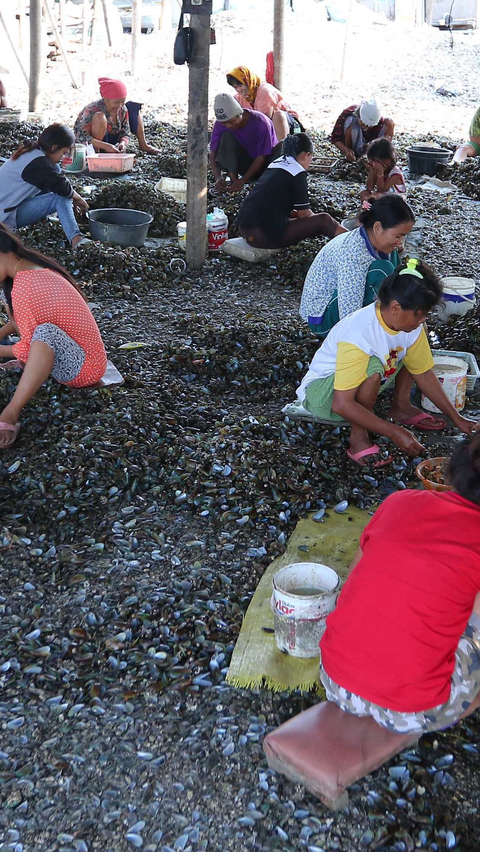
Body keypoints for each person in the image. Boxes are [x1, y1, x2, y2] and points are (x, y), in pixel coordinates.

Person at [320, 433, 480, 735]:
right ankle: (466, 700)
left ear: (452, 472)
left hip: (335, 679)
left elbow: (351, 584)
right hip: (413, 711)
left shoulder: (399, 502)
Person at [295, 259, 479, 467]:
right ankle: (358, 438)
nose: (422, 320)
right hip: (323, 396)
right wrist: (394, 432)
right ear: (395, 307)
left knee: (408, 350)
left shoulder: (412, 326)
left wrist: (457, 418)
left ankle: (401, 407)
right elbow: (342, 404)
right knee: (373, 366)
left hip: (359, 385)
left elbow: (424, 373)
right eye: (419, 315)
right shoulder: (359, 334)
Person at [0, 224, 107, 450]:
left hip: (84, 369)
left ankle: (10, 413)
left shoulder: (24, 286)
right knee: (37, 329)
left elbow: (31, 347)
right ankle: (23, 368)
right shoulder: (30, 268)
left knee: (44, 334)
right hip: (82, 353)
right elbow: (23, 319)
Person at [300, 195, 414, 338]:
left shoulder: (379, 243)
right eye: (398, 236)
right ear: (377, 228)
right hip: (322, 318)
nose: (400, 242)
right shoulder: (353, 253)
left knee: (393, 263)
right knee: (382, 270)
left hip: (340, 305)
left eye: (403, 236)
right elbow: (348, 315)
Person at [235, 133, 345, 248]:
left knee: (294, 216)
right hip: (260, 236)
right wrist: (316, 222)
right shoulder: (297, 171)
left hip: (245, 229)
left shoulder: (275, 164)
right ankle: (353, 240)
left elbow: (275, 205)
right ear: (306, 154)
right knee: (324, 220)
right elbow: (304, 215)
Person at [0, 124, 90, 250]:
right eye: (63, 152)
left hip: (10, 207)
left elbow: (56, 181)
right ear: (54, 147)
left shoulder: (33, 152)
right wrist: (79, 199)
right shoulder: (36, 162)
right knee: (61, 197)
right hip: (4, 217)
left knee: (56, 173)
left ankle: (55, 218)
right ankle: (76, 239)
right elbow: (61, 187)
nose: (62, 157)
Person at [209, 93, 282, 195]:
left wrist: (243, 180)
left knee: (283, 147)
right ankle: (233, 183)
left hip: (267, 165)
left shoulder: (261, 122)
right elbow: (213, 153)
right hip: (244, 163)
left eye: (231, 122)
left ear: (240, 114)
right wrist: (218, 177)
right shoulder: (220, 126)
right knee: (226, 137)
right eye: (224, 123)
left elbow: (262, 156)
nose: (228, 126)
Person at [74, 77, 159, 155]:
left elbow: (125, 132)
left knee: (133, 107)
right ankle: (97, 154)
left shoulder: (122, 109)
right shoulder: (92, 109)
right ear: (105, 99)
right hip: (93, 146)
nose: (120, 105)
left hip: (112, 145)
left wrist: (123, 143)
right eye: (116, 102)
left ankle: (143, 145)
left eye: (122, 101)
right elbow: (81, 137)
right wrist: (106, 146)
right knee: (100, 117)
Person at [226, 65, 303, 142]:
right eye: (235, 87)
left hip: (287, 125)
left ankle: (282, 150)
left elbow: (265, 121)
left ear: (248, 81)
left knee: (278, 115)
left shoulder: (265, 91)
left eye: (240, 85)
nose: (239, 90)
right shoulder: (240, 97)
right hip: (264, 130)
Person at [360, 138, 406, 202]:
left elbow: (381, 190)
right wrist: (371, 171)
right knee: (364, 193)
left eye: (376, 161)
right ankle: (366, 209)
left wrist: (380, 172)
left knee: (377, 195)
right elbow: (369, 187)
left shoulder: (395, 175)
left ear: (388, 160)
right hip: (383, 197)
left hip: (396, 201)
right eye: (372, 161)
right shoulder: (378, 167)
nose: (374, 164)